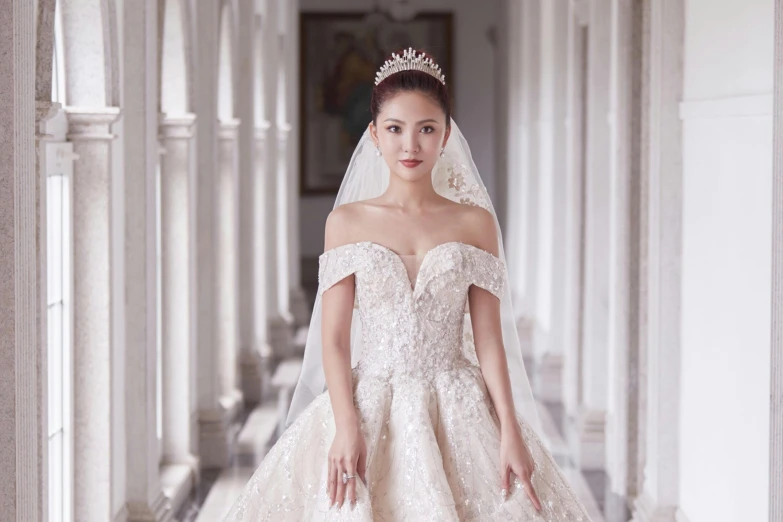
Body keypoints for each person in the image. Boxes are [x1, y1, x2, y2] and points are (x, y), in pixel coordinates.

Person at [223, 48, 592, 521]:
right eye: (395, 129)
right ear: (374, 135)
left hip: (459, 408)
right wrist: (345, 425)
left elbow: (489, 343)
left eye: (426, 129)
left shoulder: (475, 223)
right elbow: (334, 341)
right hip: (371, 402)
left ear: (446, 135)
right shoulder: (347, 222)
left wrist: (510, 430)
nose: (410, 145)